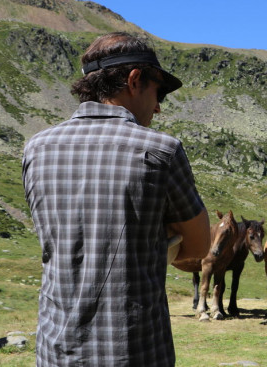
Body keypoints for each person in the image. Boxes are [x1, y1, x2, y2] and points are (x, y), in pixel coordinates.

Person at [22, 32, 211, 366]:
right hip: (136, 351)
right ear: (135, 80)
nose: (157, 106)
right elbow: (198, 247)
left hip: (56, 351)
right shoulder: (161, 150)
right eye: (158, 91)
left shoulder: (36, 149)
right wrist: (159, 244)